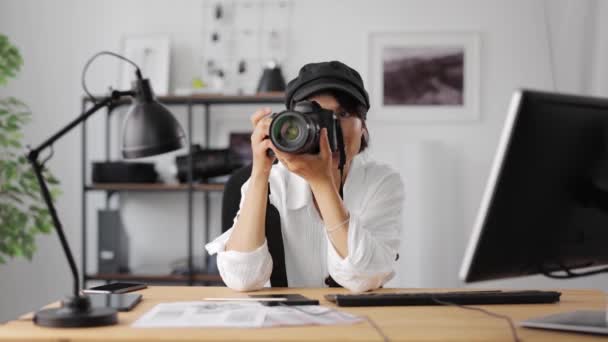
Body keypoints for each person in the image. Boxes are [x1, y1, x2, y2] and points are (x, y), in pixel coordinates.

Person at [206, 61, 405, 292]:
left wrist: (322, 183)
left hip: (358, 320)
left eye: (342, 114)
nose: (329, 129)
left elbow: (364, 278)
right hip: (281, 321)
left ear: (363, 127)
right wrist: (260, 171)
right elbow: (242, 279)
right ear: (288, 127)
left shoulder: (381, 182)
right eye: (316, 116)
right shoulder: (273, 182)